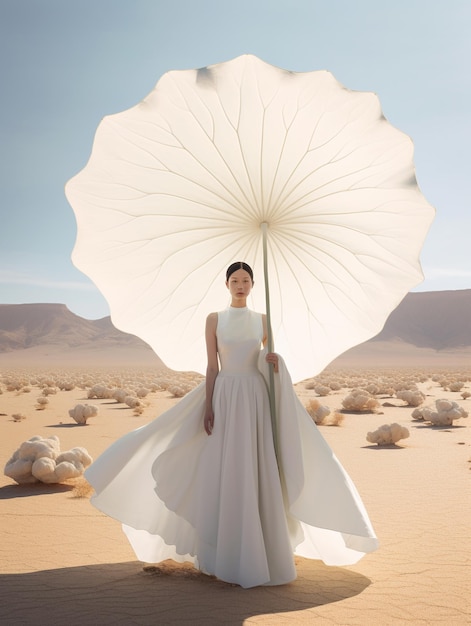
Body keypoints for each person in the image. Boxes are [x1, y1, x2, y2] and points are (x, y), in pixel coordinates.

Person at [84, 261, 378, 588]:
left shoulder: (264, 321)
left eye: (246, 280)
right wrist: (209, 405)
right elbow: (212, 367)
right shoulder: (214, 319)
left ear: (253, 285)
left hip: (254, 400)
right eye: (235, 280)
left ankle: (259, 553)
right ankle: (223, 555)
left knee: (255, 466)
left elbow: (271, 363)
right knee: (225, 466)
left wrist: (274, 362)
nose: (241, 285)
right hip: (225, 395)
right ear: (226, 284)